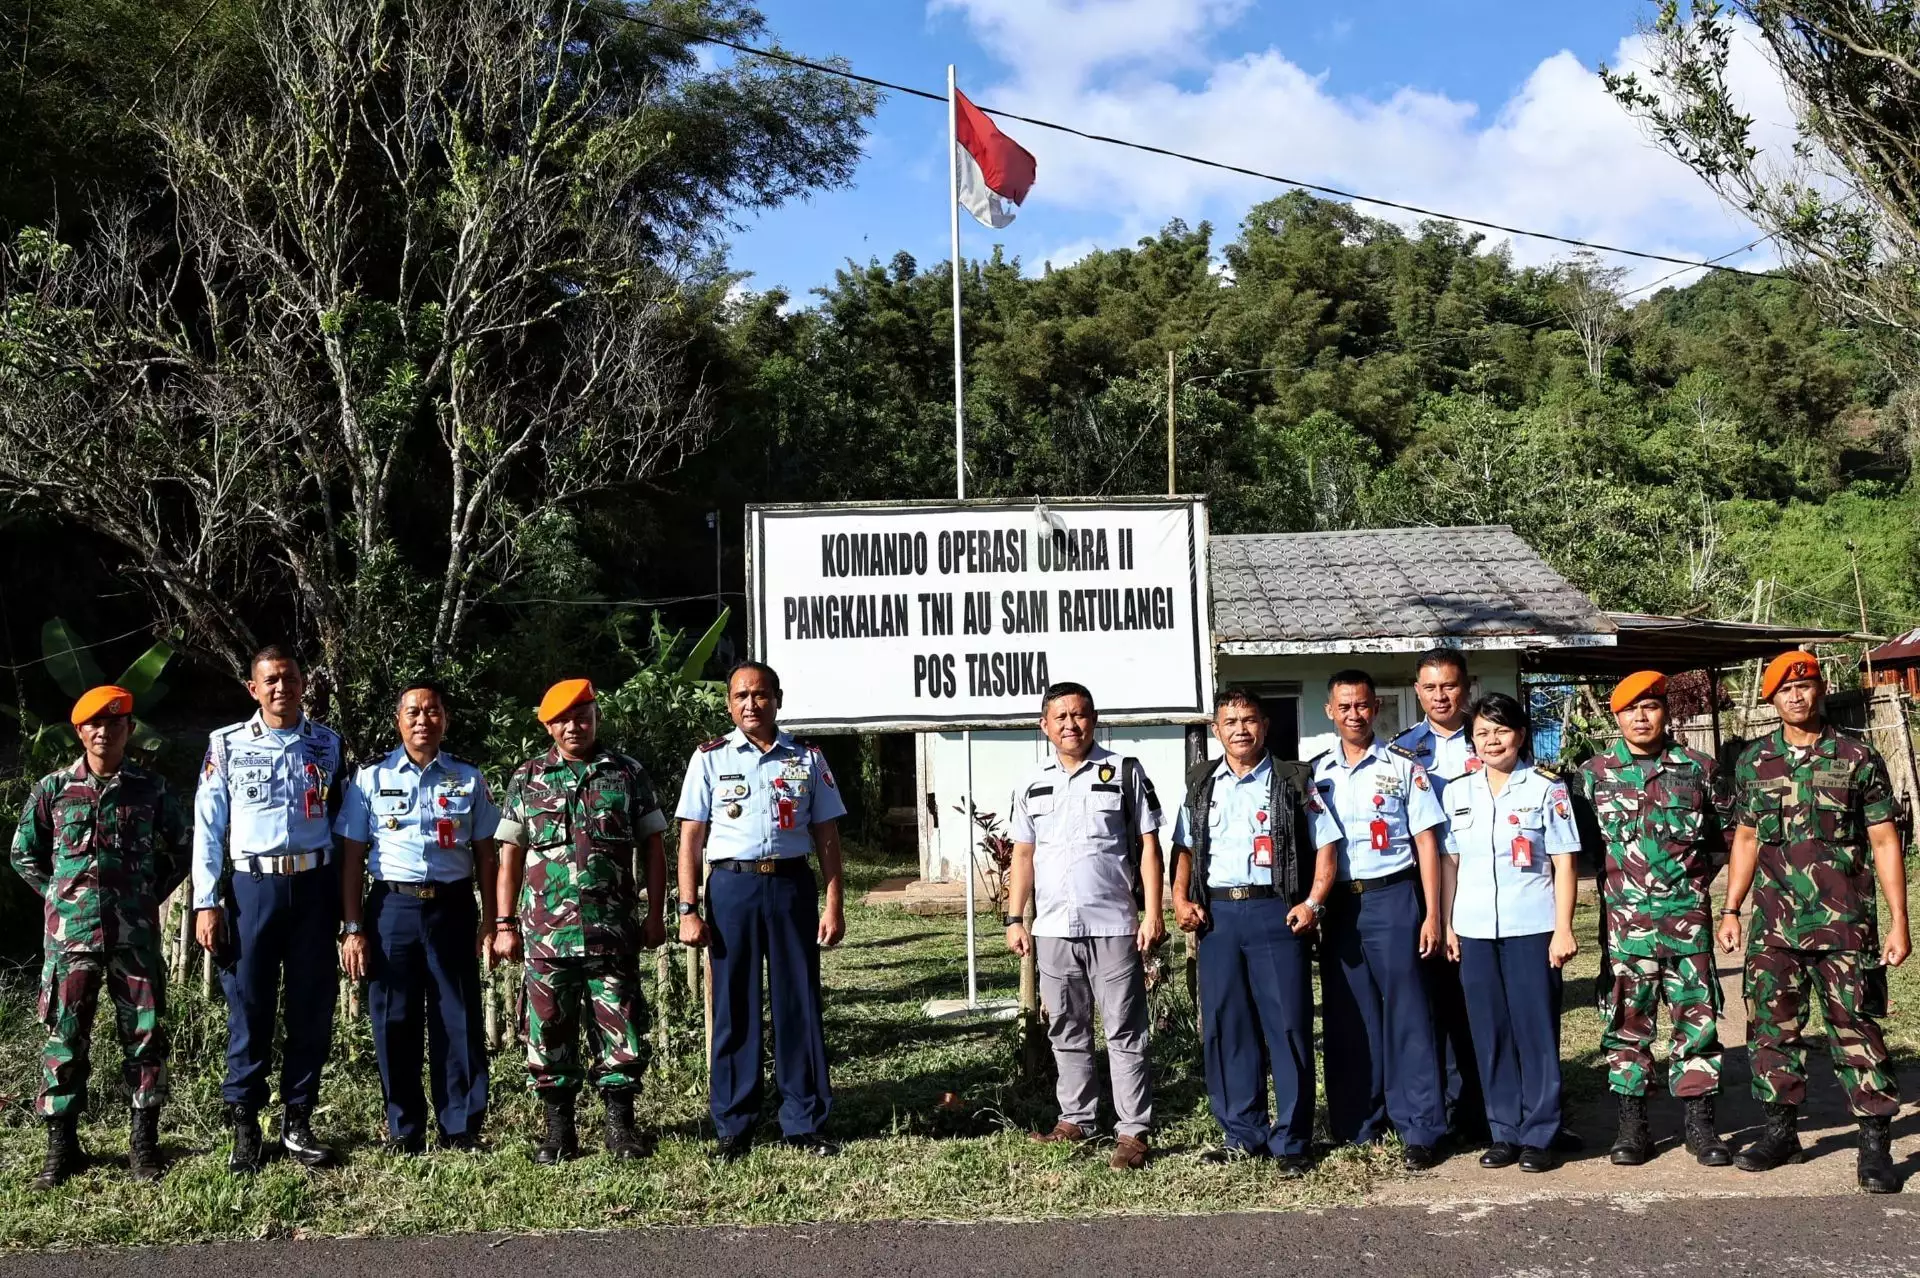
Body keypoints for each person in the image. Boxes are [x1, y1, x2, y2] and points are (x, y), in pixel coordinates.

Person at [1719, 651, 1909, 1194]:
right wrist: (1731, 909)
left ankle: (1874, 1145)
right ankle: (1781, 1133)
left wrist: (1899, 921)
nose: (1796, 697)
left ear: (1820, 690)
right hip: (1774, 929)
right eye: (1785, 690)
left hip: (1846, 925)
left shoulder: (1856, 755)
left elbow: (1883, 841)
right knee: (1772, 1032)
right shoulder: (1754, 762)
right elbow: (1748, 841)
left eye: (1805, 687)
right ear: (1772, 699)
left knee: (1858, 1030)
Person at [10, 686, 189, 1188]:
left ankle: (143, 1146)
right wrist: (59, 897)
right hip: (72, 940)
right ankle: (61, 1147)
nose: (105, 732)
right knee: (65, 1039)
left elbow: (180, 847)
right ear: (80, 731)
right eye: (94, 724)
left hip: (133, 937)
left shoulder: (149, 789)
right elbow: (23, 853)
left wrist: (145, 895)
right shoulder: (53, 789)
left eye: (115, 724)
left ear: (129, 730)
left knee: (145, 1038)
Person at [676, 661, 847, 1161]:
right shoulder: (709, 758)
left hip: (791, 884)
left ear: (778, 698)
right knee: (733, 1005)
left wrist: (834, 902)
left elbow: (827, 835)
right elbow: (690, 838)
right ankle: (734, 1123)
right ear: (730, 703)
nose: (751, 703)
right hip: (732, 887)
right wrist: (689, 909)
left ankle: (804, 1120)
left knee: (798, 1003)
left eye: (760, 694)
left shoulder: (807, 757)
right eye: (741, 695)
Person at [493, 678, 668, 1164]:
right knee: (547, 1029)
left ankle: (621, 1127)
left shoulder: (627, 774)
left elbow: (653, 848)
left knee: (622, 1028)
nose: (576, 725)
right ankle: (558, 1131)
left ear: (596, 717)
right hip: (548, 935)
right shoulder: (527, 779)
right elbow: (510, 855)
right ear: (549, 726)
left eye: (584, 715)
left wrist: (656, 914)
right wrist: (505, 925)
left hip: (611, 930)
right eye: (564, 719)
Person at [1171, 688, 1339, 1173]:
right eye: (1230, 721)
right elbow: (1183, 848)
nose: (1240, 729)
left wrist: (1312, 902)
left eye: (1249, 720)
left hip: (1275, 913)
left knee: (1286, 1025)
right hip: (1218, 918)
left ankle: (1292, 1140)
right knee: (1226, 1027)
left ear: (1264, 725)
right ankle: (1241, 1133)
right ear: (1217, 730)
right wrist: (1181, 899)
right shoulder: (1202, 784)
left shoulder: (1291, 781)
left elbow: (1326, 844)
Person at [192, 645, 344, 1173]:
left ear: (304, 684)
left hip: (314, 887)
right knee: (250, 1007)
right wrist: (206, 901)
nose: (282, 687)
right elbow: (209, 827)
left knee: (310, 1006)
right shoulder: (227, 745)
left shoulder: (328, 745)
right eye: (271, 680)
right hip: (253, 889)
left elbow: (343, 825)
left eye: (291, 678)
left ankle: (298, 1119)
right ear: (253, 689)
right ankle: (245, 1125)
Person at [1005, 681, 1165, 1170]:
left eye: (1080, 715)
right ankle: (1077, 1118)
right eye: (1061, 717)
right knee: (1067, 1029)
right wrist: (1015, 918)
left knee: (1123, 1030)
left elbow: (1149, 846)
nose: (1071, 724)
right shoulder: (1031, 783)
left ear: (1093, 719)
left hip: (1114, 922)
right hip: (1053, 929)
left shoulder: (1124, 772)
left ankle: (1133, 1130)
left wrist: (1153, 912)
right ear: (1045, 726)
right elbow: (1024, 855)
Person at [336, 680, 500, 1153]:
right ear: (398, 721)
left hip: (451, 907)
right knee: (393, 1018)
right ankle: (404, 1128)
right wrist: (352, 927)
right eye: (413, 712)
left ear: (445, 719)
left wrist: (491, 920)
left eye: (432, 711)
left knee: (457, 1014)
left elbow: (486, 854)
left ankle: (459, 1127)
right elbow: (351, 858)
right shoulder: (370, 778)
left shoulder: (469, 778)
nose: (423, 720)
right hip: (392, 908)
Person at [1576, 671, 1730, 1168]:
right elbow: (1583, 847)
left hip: (1687, 925)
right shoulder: (1593, 775)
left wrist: (1693, 883)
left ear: (1667, 712)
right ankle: (1632, 1126)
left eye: (1651, 706)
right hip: (1625, 930)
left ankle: (1701, 1126)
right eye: (1630, 709)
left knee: (1697, 1026)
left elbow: (1727, 839)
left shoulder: (1700, 770)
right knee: (1627, 1027)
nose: (1641, 717)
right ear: (1615, 716)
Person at [1313, 669, 1450, 1170]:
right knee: (1350, 1015)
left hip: (1394, 898)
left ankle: (1420, 1127)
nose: (1354, 714)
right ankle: (1358, 1124)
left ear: (1376, 708)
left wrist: (1433, 913)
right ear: (1330, 711)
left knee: (1409, 1013)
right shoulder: (1315, 772)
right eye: (1344, 706)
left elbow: (1426, 842)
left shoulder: (1403, 768)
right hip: (1341, 907)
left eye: (1363, 705)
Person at [1440, 692, 1580, 1173]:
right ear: (1472, 739)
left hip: (1532, 927)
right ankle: (1504, 1131)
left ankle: (1540, 1132)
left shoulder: (1546, 789)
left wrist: (1563, 928)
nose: (1491, 740)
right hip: (1475, 930)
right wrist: (1448, 925)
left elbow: (1564, 863)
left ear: (1520, 735)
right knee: (1490, 1033)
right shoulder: (1457, 791)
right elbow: (1450, 864)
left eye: (1501, 730)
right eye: (1482, 732)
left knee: (1535, 1032)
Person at [1391, 647, 1486, 1143]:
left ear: (1466, 687)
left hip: (1488, 880)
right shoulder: (1403, 750)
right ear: (1417, 692)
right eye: (1430, 687)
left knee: (1486, 998)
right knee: (1440, 999)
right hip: (1428, 885)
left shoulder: (1493, 735)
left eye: (1449, 685)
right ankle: (1451, 1108)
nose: (1440, 695)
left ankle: (1493, 1105)